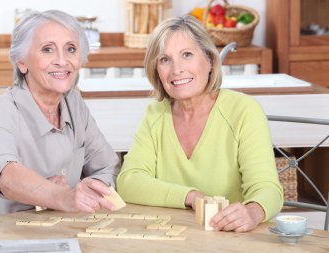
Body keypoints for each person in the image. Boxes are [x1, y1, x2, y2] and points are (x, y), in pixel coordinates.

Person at [117, 15, 283, 232]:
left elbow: (267, 188)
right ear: (156, 69)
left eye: (187, 55)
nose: (176, 69)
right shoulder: (155, 114)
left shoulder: (244, 111)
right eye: (165, 59)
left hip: (231, 239)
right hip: (170, 237)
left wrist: (254, 210)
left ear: (210, 61)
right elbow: (129, 182)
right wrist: (190, 196)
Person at [0, 10, 120, 220]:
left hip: (38, 233)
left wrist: (91, 190)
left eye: (71, 49)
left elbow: (106, 166)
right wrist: (63, 196)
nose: (61, 60)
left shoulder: (74, 104)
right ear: (22, 62)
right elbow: (7, 177)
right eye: (47, 49)